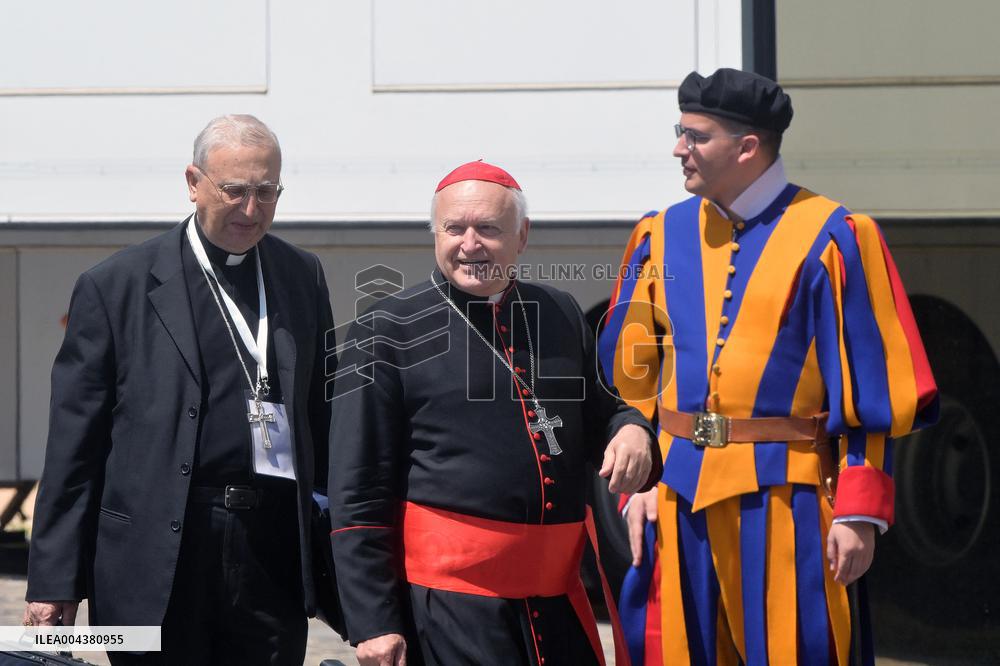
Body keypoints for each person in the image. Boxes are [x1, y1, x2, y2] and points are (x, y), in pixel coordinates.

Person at [598, 69, 939, 665]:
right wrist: (641, 473)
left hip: (791, 502)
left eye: (695, 135)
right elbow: (630, 373)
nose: (679, 147)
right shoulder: (659, 233)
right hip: (677, 499)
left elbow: (872, 391)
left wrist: (859, 514)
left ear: (747, 147)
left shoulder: (835, 237)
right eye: (681, 132)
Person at [24, 114, 337, 664]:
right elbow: (75, 448)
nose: (251, 209)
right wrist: (54, 583)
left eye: (267, 192)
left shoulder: (300, 275)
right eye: (235, 190)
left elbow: (322, 417)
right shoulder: (115, 285)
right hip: (157, 553)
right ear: (193, 182)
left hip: (269, 551)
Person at [329, 160, 662, 665]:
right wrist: (373, 620)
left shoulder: (559, 312)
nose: (469, 243)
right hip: (451, 612)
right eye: (453, 228)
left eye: (488, 228)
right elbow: (357, 491)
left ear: (522, 236)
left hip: (555, 606)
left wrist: (633, 427)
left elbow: (604, 411)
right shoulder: (387, 329)